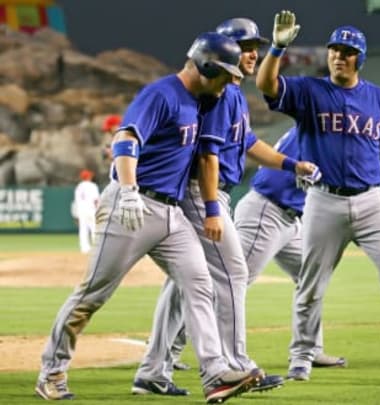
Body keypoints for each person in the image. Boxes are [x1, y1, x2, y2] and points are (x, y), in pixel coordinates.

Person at [35, 31, 262, 404]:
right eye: (226, 76)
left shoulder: (202, 102)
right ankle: (52, 371)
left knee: (200, 284)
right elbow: (125, 139)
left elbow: (210, 154)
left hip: (172, 214)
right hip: (133, 207)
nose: (228, 86)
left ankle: (216, 373)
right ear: (207, 66)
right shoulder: (161, 94)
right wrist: (126, 190)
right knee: (93, 293)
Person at [132, 18, 318, 396]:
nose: (253, 54)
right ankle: (235, 365)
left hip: (207, 194)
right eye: (246, 47)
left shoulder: (231, 94)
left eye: (255, 47)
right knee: (232, 273)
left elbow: (248, 143)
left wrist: (290, 164)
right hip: (203, 193)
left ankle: (153, 369)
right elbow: (208, 158)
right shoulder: (218, 95)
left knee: (184, 284)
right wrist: (214, 207)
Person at [256, 11, 380, 382]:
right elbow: (268, 84)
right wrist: (277, 47)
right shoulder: (310, 91)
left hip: (372, 202)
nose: (339, 56)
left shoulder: (378, 98)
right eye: (335, 49)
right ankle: (301, 358)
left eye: (348, 51)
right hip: (324, 201)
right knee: (311, 284)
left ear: (361, 58)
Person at [234, 126, 346, 368]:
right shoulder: (313, 130)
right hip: (266, 212)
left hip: (290, 219)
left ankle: (310, 350)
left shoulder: (321, 130)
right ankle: (172, 345)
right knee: (232, 283)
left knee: (311, 277)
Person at [72, 169, 100, 254]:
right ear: (88, 177)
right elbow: (96, 200)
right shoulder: (93, 185)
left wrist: (75, 213)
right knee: (94, 228)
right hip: (91, 209)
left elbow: (76, 201)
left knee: (83, 229)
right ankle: (97, 248)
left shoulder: (79, 187)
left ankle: (84, 248)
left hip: (81, 210)